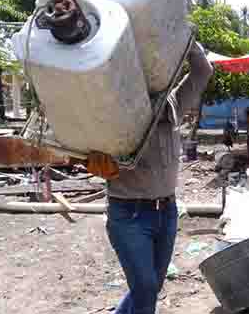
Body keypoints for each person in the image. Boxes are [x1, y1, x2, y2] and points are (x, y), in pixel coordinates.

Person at [85, 41, 213, 314]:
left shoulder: (173, 103)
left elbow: (203, 71)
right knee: (144, 288)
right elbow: (88, 152)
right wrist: (94, 163)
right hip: (128, 214)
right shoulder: (116, 113)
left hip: (167, 211)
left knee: (150, 288)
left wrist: (185, 38)